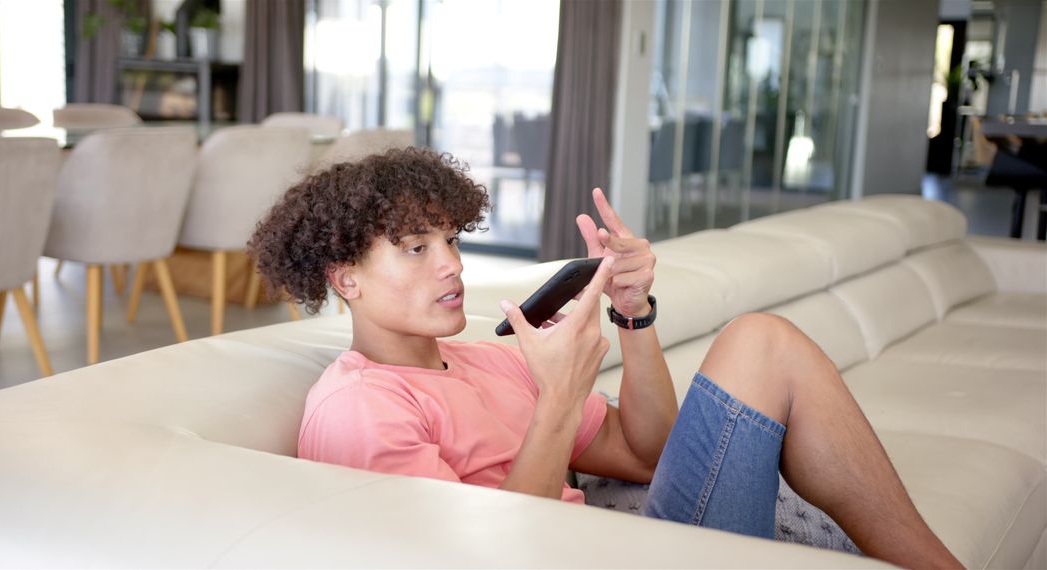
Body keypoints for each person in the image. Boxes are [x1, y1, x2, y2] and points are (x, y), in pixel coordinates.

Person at [248, 147, 961, 569]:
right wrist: (558, 396)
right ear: (345, 277)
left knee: (761, 340)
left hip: (615, 538)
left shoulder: (479, 362)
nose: (451, 266)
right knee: (758, 344)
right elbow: (482, 558)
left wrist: (630, 311)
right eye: (416, 247)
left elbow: (648, 453)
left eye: (452, 241)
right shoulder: (362, 408)